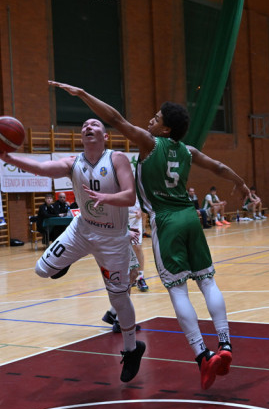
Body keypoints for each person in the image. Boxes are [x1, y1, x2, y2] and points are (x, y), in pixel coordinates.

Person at [51, 80, 249, 391]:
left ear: (166, 130)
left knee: (178, 291)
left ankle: (202, 356)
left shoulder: (150, 144)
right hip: (191, 218)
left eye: (156, 119)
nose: (150, 121)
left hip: (167, 221)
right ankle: (225, 345)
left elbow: (115, 119)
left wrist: (84, 94)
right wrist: (243, 184)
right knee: (208, 281)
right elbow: (219, 166)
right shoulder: (188, 150)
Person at [0, 116, 145, 383]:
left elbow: (130, 196)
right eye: (84, 125)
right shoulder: (73, 163)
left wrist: (106, 198)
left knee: (119, 299)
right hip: (83, 228)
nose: (88, 126)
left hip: (112, 239)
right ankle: (70, 257)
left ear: (105, 136)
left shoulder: (117, 159)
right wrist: (10, 159)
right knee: (42, 270)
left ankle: (133, 349)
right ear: (81, 137)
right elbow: (42, 168)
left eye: (95, 124)